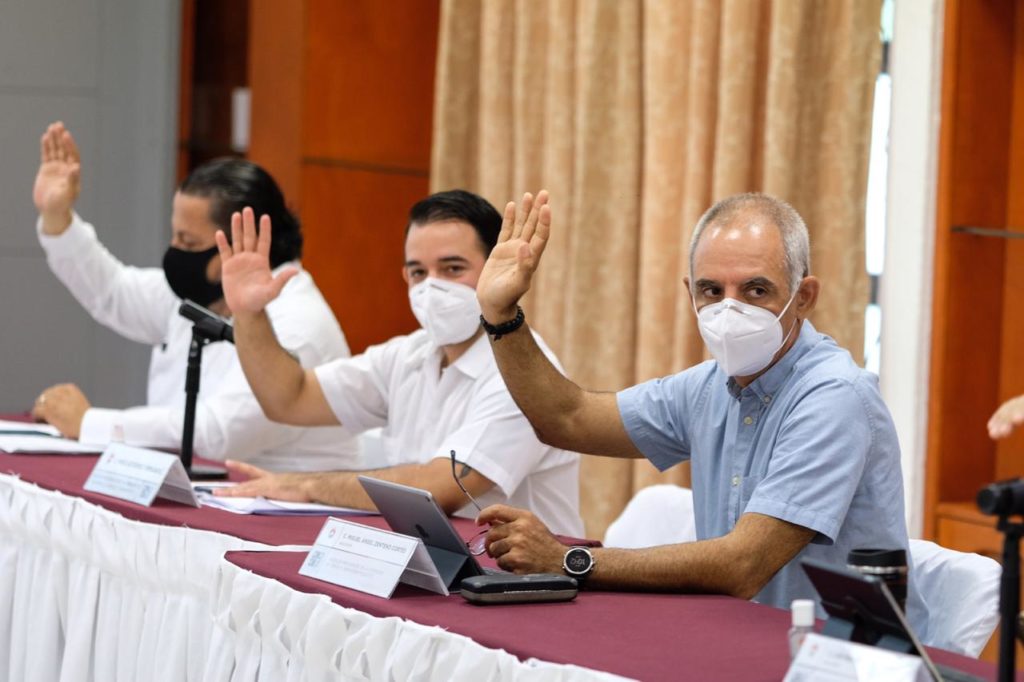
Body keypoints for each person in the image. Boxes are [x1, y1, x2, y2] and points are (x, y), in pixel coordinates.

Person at [472, 190, 921, 613]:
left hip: (841, 659)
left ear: (803, 297)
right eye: (711, 291)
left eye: (756, 290)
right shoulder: (709, 385)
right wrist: (501, 316)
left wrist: (569, 560)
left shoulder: (833, 395)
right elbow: (567, 419)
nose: (729, 310)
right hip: (742, 639)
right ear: (690, 293)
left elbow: (743, 566)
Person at [213, 190, 584, 536]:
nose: (432, 287)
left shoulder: (523, 370)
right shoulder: (409, 354)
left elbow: (440, 488)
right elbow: (289, 399)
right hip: (433, 564)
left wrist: (307, 484)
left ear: (495, 269)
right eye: (419, 273)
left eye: (453, 269)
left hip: (525, 586)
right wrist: (249, 313)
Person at [30, 121, 357, 471]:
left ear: (242, 242)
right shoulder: (202, 293)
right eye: (174, 237)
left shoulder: (298, 322)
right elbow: (112, 292)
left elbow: (215, 433)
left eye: (188, 243)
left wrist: (91, 423)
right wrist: (57, 217)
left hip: (281, 514)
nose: (174, 252)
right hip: (202, 493)